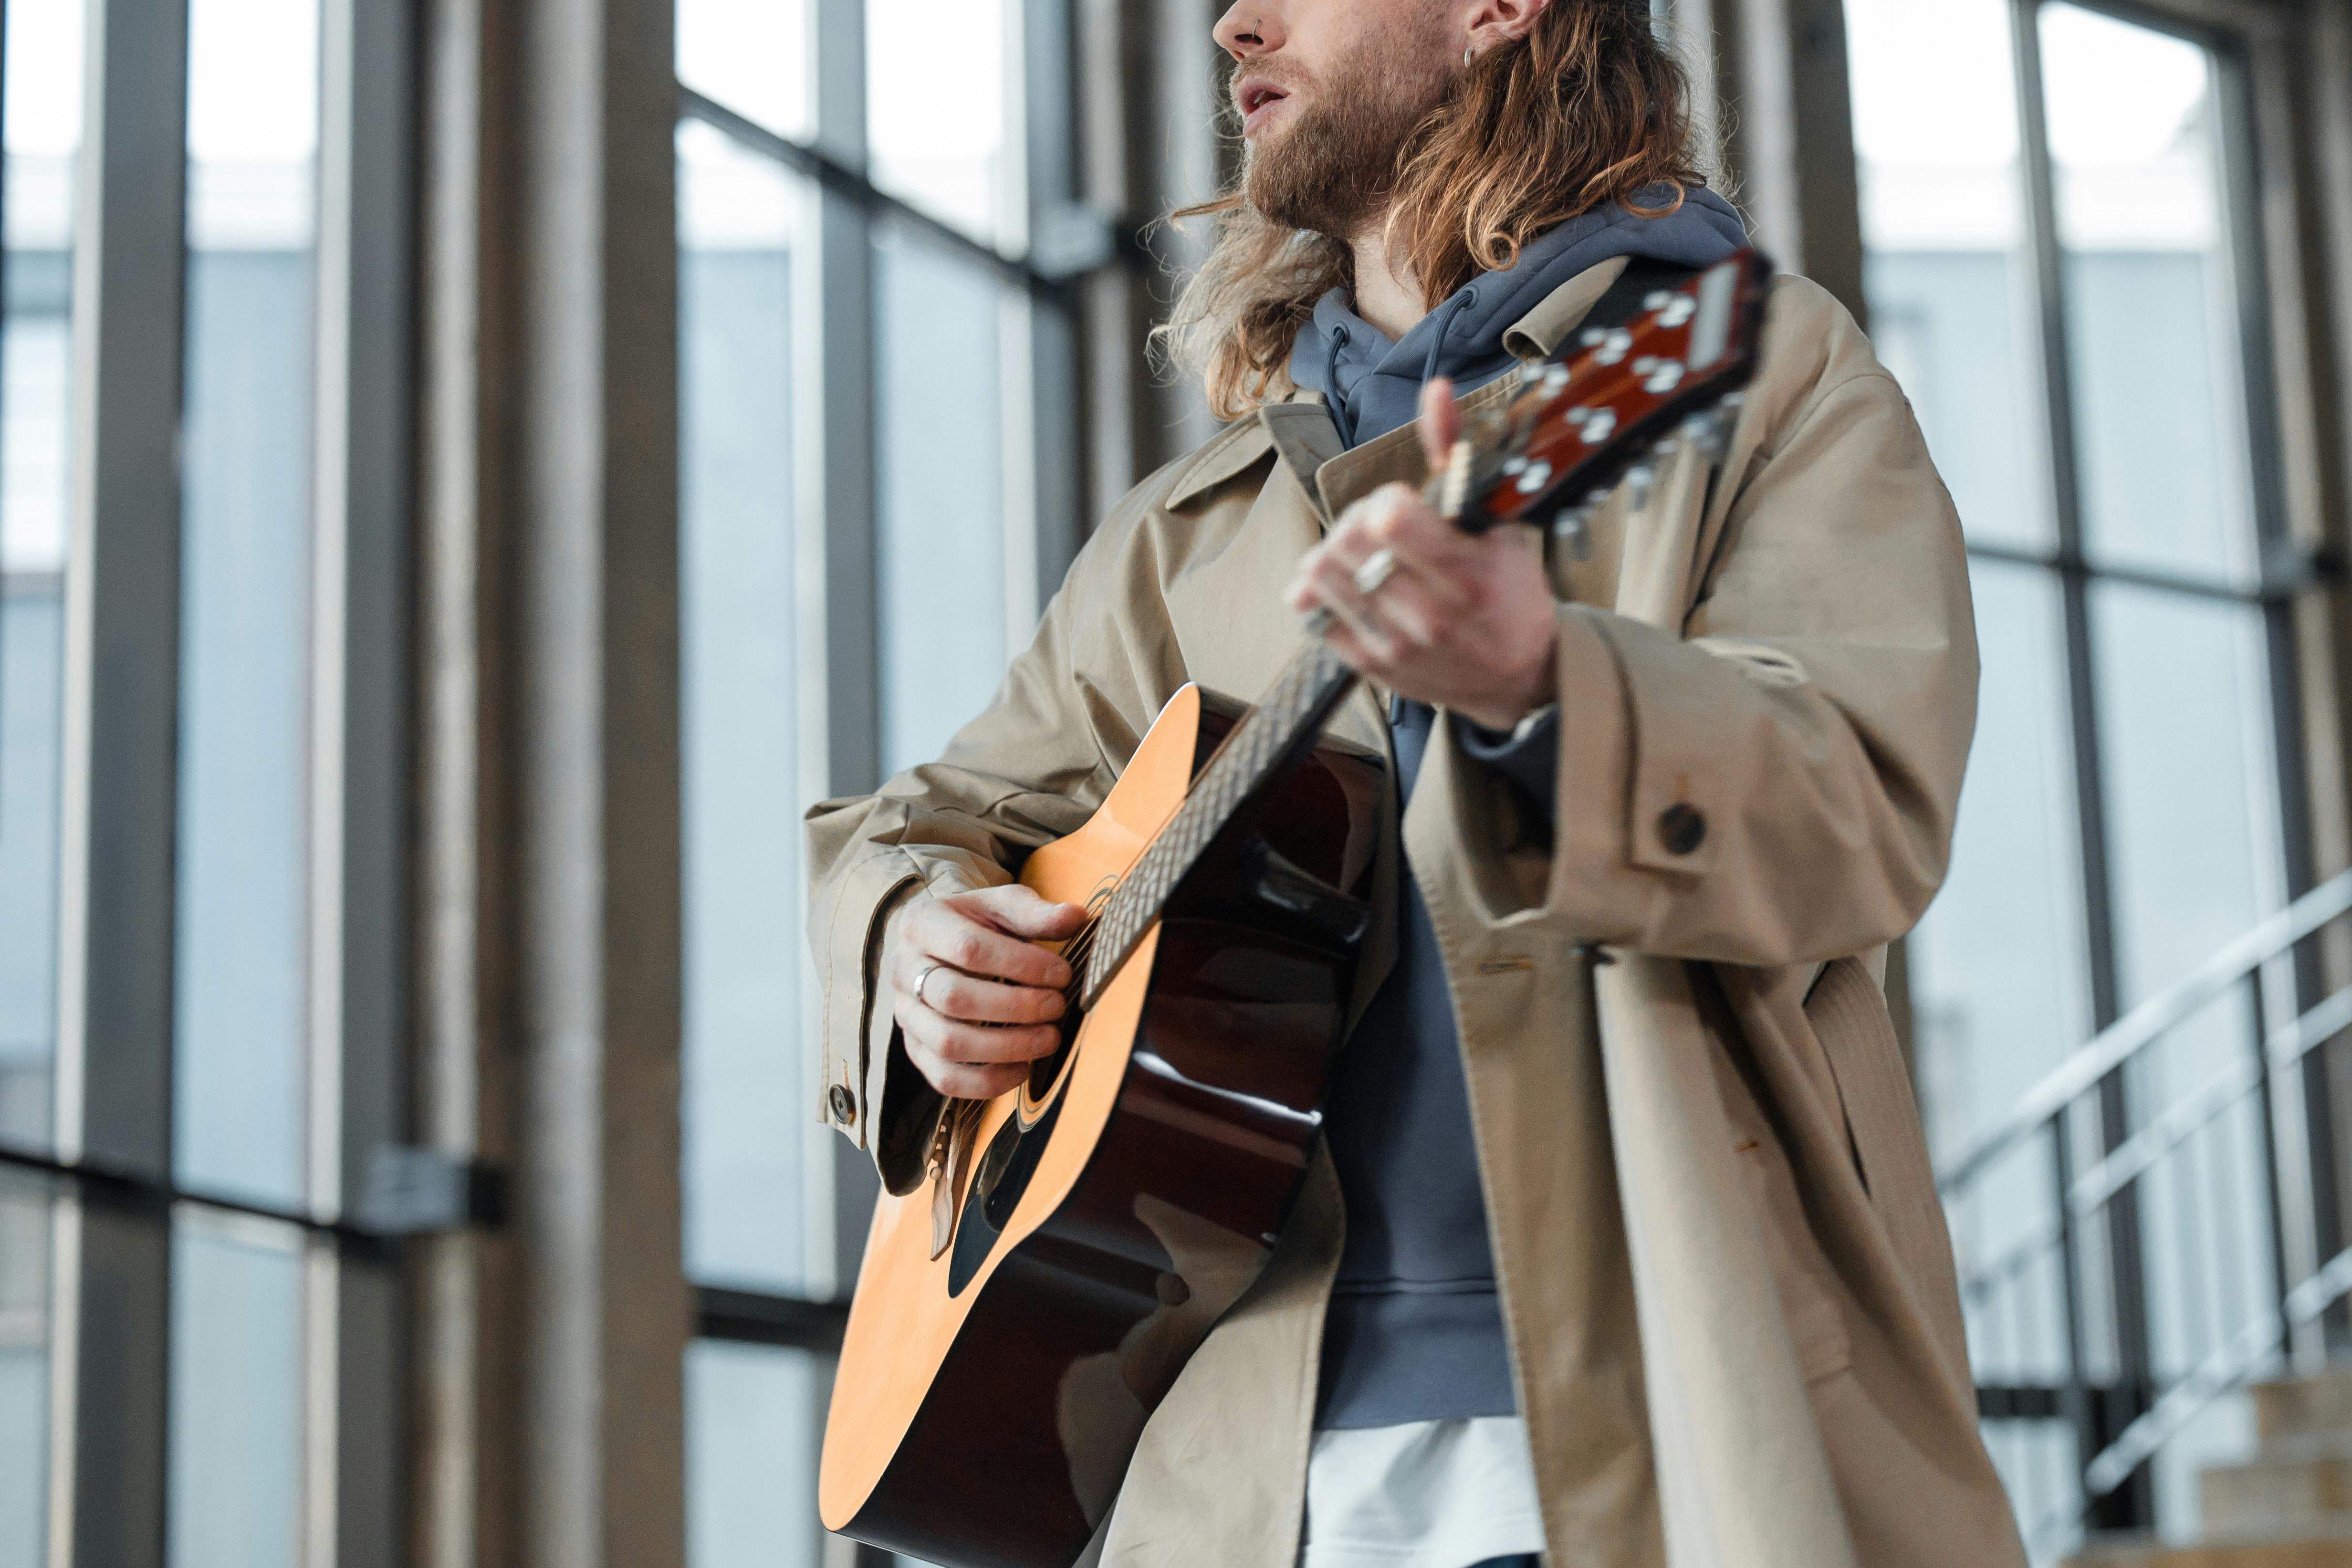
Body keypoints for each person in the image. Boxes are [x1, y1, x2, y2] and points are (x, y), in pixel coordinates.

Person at [807, 1, 2027, 1564]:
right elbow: (937, 820)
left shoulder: (1738, 370)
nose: (1231, 22)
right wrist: (914, 938)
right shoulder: (1193, 524)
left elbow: (1854, 807)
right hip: (1224, 1482)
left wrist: (1548, 680)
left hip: (1657, 1424)